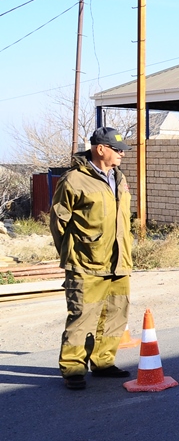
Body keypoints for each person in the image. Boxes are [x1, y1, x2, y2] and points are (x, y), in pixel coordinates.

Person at [49, 126, 134, 390]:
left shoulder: (118, 178)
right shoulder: (73, 180)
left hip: (118, 262)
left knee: (115, 313)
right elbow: (58, 222)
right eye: (117, 150)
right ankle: (73, 369)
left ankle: (103, 362)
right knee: (83, 316)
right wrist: (75, 252)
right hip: (86, 263)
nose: (122, 154)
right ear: (100, 149)